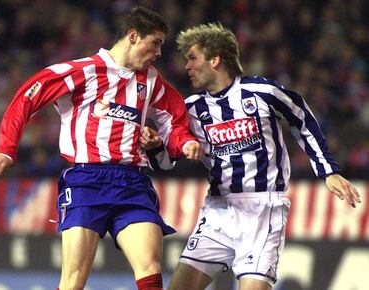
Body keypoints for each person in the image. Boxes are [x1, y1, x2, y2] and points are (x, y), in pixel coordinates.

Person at [0, 7, 203, 290]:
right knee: (74, 280)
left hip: (133, 184)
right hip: (86, 182)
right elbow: (28, 95)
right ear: (134, 36)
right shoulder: (82, 71)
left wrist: (182, 142)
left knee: (150, 269)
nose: (159, 53)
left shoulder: (152, 81)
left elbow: (175, 118)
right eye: (156, 43)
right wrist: (7, 147)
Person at [140, 23, 361, 290]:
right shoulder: (191, 109)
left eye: (192, 58)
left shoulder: (262, 92)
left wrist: (328, 170)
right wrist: (154, 147)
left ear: (215, 60)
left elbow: (301, 117)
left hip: (263, 209)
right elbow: (166, 161)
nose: (187, 66)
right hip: (218, 210)